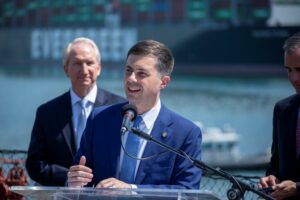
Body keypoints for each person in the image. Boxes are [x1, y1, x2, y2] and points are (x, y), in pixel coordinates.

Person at [67, 40, 202, 189]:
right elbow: (80, 175)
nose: (131, 78)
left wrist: (132, 190)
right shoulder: (99, 119)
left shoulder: (185, 133)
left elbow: (187, 190)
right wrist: (75, 182)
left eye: (141, 73)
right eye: (128, 70)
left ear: (163, 82)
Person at [26, 37, 126, 186]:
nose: (84, 70)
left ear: (99, 68)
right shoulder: (46, 113)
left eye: (89, 63)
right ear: (66, 69)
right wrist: (68, 178)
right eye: (77, 63)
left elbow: (129, 158)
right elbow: (35, 165)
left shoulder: (121, 108)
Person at [259, 32, 300, 200]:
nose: (294, 78)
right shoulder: (282, 109)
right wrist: (272, 178)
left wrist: (297, 187)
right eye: (289, 70)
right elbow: (275, 164)